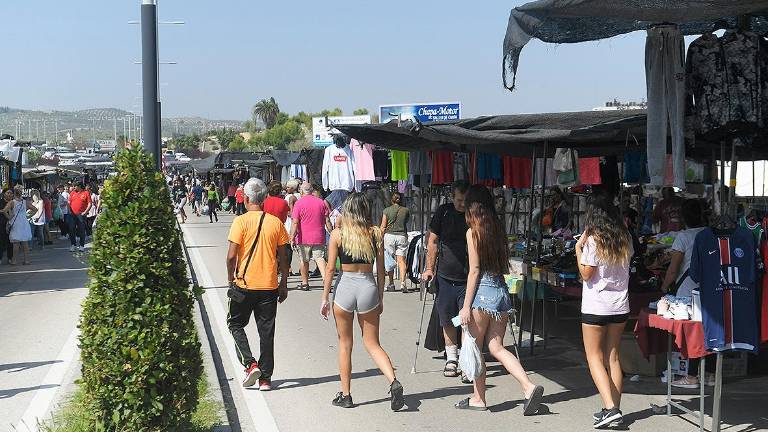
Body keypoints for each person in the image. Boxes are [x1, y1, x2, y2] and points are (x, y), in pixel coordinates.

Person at [456, 185, 544, 414]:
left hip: (482, 292)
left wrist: (466, 306)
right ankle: (528, 386)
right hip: (501, 291)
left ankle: (478, 398)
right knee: (497, 347)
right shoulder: (497, 229)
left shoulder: (472, 232)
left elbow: (474, 270)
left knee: (474, 345)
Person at [320, 193, 405, 411]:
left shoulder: (338, 235)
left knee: (345, 344)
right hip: (368, 285)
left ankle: (346, 395)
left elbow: (330, 268)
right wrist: (381, 296)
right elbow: (381, 271)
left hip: (346, 286)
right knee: (372, 343)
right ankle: (393, 381)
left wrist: (324, 298)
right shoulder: (375, 233)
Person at [575, 197, 634, 428]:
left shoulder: (592, 241)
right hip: (620, 305)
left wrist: (578, 250)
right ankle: (613, 409)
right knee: (613, 357)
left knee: (594, 357)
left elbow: (586, 274)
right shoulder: (625, 238)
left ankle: (610, 409)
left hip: (596, 306)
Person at [226, 178, 290, 392]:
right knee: (266, 333)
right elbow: (284, 257)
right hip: (269, 287)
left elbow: (231, 256)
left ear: (245, 199)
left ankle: (250, 363)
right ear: (263, 199)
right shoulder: (276, 223)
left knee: (234, 324)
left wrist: (229, 280)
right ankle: (265, 379)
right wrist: (284, 284)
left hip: (244, 285)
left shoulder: (240, 222)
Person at [421, 180, 470, 379]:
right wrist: (429, 268)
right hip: (445, 276)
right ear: (452, 197)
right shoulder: (444, 212)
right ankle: (452, 358)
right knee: (448, 318)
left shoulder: (473, 214)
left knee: (466, 321)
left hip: (468, 278)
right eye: (459, 200)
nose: (463, 204)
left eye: (466, 201)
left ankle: (467, 361)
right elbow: (432, 241)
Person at [660, 199, 710, 389]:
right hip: (709, 288)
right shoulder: (710, 233)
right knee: (707, 330)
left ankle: (691, 376)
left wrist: (665, 286)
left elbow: (673, 269)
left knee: (690, 334)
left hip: (687, 290)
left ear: (683, 217)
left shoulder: (684, 236)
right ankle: (710, 374)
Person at [290, 182, 331, 291]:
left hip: (304, 238)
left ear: (301, 191)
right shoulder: (321, 202)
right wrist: (332, 232)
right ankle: (325, 280)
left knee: (304, 260)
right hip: (319, 237)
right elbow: (327, 220)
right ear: (312, 190)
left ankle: (305, 283)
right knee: (320, 259)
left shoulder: (299, 204)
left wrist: (292, 237)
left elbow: (295, 223)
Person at [380, 191, 410, 293]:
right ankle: (403, 283)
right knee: (401, 261)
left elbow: (383, 226)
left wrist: (380, 237)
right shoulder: (406, 210)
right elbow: (406, 222)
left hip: (389, 236)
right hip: (401, 236)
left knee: (389, 260)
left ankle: (391, 283)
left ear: (391, 200)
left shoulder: (386, 210)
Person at [2, 185, 33, 265]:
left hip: (16, 223)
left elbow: (4, 211)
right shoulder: (25, 202)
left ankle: (14, 260)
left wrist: (9, 217)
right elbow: (35, 209)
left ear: (14, 194)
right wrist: (29, 216)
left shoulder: (12, 202)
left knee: (16, 243)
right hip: (24, 223)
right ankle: (27, 260)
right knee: (25, 243)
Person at [69, 183, 92, 252]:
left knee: (81, 230)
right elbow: (69, 202)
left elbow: (90, 203)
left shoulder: (86, 193)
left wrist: (85, 212)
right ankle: (73, 245)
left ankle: (81, 246)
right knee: (71, 229)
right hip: (73, 214)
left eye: (74, 186)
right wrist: (69, 210)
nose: (73, 187)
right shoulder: (72, 193)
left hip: (81, 215)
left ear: (79, 186)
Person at [0, 189, 14, 264]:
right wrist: (3, 211)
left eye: (11, 193)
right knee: (1, 242)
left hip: (12, 224)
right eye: (8, 193)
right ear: (4, 194)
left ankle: (10, 258)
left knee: (10, 242)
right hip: (1, 224)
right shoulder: (1, 202)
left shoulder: (14, 202)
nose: (9, 194)